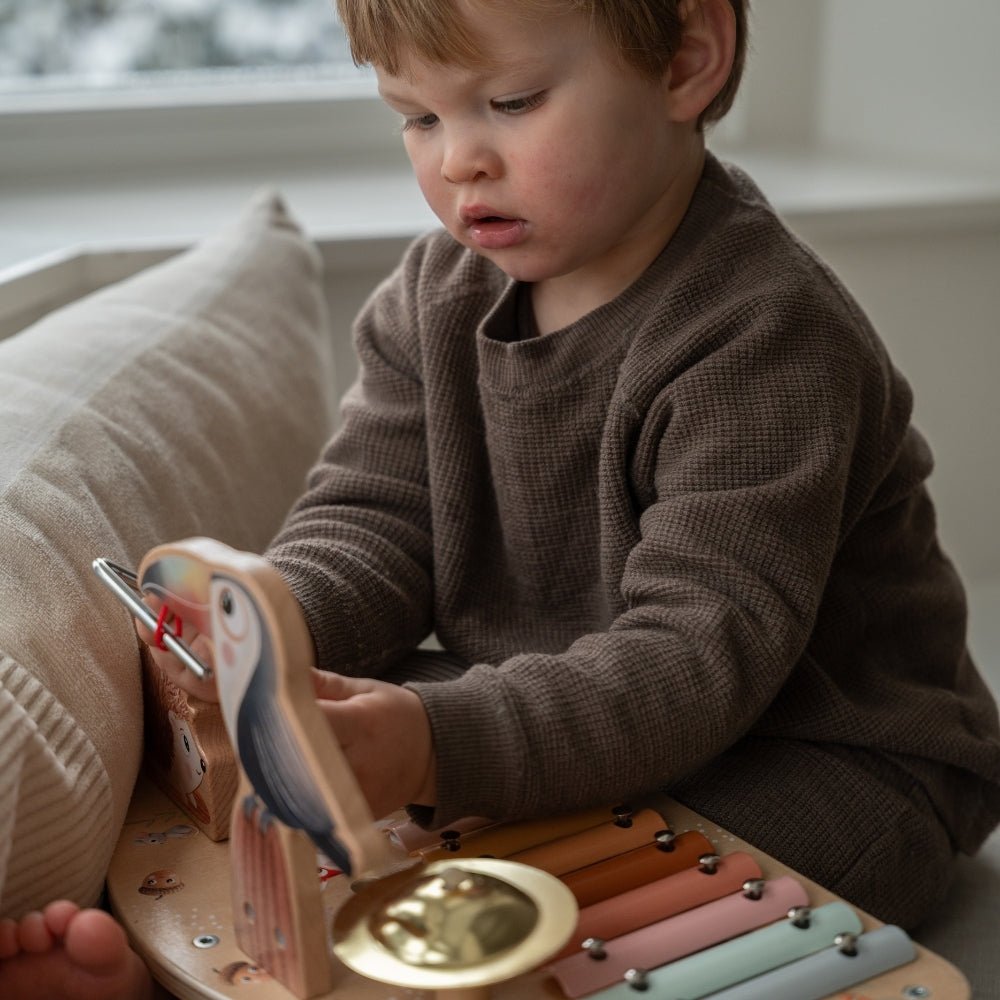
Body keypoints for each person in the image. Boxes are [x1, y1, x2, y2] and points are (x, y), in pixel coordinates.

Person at [4, 1, 998, 997]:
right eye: (417, 116)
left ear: (686, 62)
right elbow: (374, 520)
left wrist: (434, 743)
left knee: (565, 915)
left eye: (511, 102)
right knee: (352, 761)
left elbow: (693, 656)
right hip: (556, 692)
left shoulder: (767, 338)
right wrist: (271, 628)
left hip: (818, 747)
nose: (457, 162)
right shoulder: (431, 296)